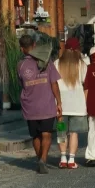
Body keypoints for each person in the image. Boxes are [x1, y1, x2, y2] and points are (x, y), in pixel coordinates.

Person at [18, 33, 61, 174]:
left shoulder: (20, 65)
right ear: (34, 45)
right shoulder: (47, 62)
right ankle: (43, 159)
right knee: (46, 134)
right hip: (47, 105)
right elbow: (54, 84)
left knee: (35, 135)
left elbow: (22, 85)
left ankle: (39, 160)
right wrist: (59, 102)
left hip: (30, 107)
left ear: (21, 49)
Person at [55, 40, 88, 169]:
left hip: (61, 105)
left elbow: (53, 85)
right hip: (77, 105)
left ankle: (63, 158)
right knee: (74, 133)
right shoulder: (82, 65)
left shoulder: (56, 64)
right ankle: (71, 160)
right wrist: (84, 101)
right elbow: (86, 86)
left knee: (61, 132)